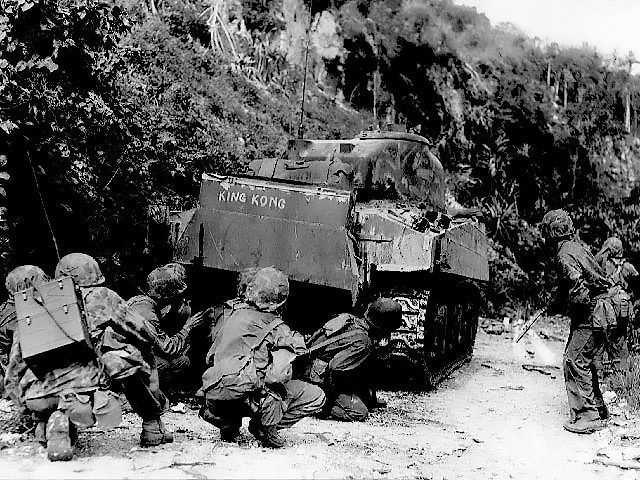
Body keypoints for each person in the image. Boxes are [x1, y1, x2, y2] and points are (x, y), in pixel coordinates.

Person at [52, 253, 174, 449]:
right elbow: (139, 329)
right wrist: (145, 345)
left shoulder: (47, 300)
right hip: (93, 366)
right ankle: (152, 425)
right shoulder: (101, 295)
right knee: (133, 359)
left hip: (54, 370)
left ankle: (58, 427)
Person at [199, 267, 325, 448]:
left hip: (216, 395)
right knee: (315, 396)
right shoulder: (278, 329)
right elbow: (278, 376)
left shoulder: (232, 314)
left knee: (242, 377)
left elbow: (211, 356)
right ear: (281, 300)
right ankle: (264, 427)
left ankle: (228, 422)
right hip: (249, 396)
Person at [541, 209, 611, 434]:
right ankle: (599, 410)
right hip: (601, 308)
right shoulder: (576, 247)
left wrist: (567, 308)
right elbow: (573, 283)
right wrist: (555, 301)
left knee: (574, 360)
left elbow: (578, 290)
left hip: (590, 312)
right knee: (585, 361)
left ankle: (588, 417)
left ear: (551, 233)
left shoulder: (563, 254)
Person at [302, 298, 403, 421]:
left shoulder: (349, 319)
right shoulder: (363, 343)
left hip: (306, 365)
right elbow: (334, 368)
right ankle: (318, 405)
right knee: (359, 412)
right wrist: (329, 400)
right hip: (314, 378)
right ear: (383, 328)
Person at [128, 264, 208, 392]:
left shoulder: (140, 301)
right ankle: (140, 393)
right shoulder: (148, 315)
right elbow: (168, 349)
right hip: (126, 363)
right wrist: (188, 327)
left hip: (124, 355)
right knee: (181, 362)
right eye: (176, 294)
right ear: (165, 295)